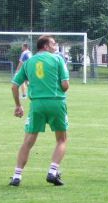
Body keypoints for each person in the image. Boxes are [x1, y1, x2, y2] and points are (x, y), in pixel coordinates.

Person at [9, 35, 70, 187]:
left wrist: (18, 105)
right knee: (61, 139)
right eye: (53, 43)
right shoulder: (58, 60)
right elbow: (65, 85)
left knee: (28, 141)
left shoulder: (29, 62)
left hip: (37, 104)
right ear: (46, 46)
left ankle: (17, 176)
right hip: (56, 103)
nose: (55, 46)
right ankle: (53, 171)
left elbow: (14, 85)